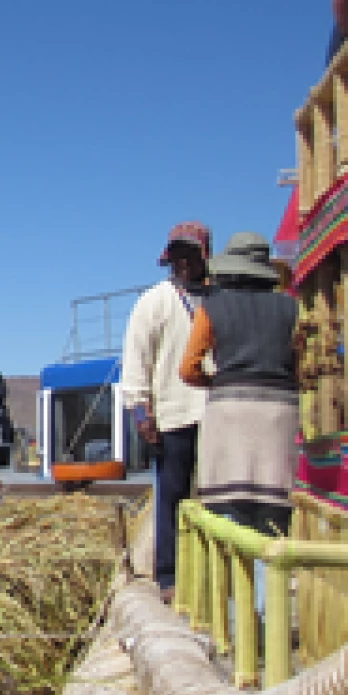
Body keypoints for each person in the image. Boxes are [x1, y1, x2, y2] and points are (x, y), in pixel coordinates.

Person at [178, 233, 301, 539]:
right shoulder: (291, 308)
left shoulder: (212, 307)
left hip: (229, 410)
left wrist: (216, 383)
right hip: (280, 412)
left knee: (228, 509)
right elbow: (301, 361)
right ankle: (268, 584)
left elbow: (188, 368)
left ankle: (232, 583)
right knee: (274, 510)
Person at [120, 222, 213, 598]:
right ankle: (169, 575)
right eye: (178, 255)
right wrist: (141, 413)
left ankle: (209, 575)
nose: (184, 262)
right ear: (169, 258)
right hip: (173, 413)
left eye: (191, 254)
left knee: (212, 497)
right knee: (172, 495)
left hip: (216, 414)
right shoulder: (155, 300)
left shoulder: (217, 298)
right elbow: (136, 359)